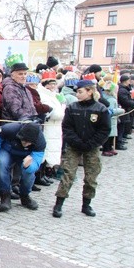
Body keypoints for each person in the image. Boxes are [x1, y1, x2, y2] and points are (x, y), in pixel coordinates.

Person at [52, 80, 110, 218]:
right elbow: (67, 128)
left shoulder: (101, 109)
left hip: (92, 147)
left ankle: (86, 204)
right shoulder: (72, 108)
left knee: (91, 177)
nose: (77, 94)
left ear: (89, 91)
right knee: (68, 175)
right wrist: (76, 141)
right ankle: (59, 203)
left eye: (80, 91)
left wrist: (91, 143)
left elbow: (104, 130)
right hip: (74, 146)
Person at [0, 122, 46, 212]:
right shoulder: (9, 129)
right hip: (8, 150)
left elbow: (37, 159)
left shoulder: (40, 141)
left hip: (27, 156)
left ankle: (25, 196)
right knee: (2, 164)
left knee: (28, 173)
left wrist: (29, 166)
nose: (25, 143)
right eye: (23, 140)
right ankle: (5, 197)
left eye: (28, 142)